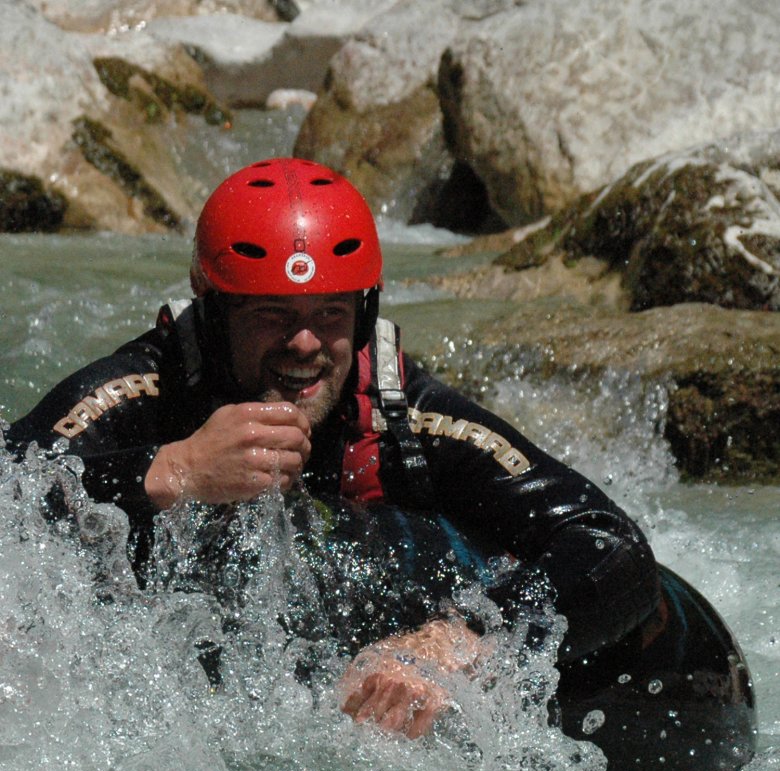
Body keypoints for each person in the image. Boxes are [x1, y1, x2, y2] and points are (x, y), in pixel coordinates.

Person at [5, 157, 660, 741]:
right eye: (271, 315)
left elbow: (609, 543)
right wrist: (172, 470)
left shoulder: (407, 418)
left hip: (403, 653)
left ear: (365, 312)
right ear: (212, 309)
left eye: (329, 315)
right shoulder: (147, 390)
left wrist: (451, 641)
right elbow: (12, 484)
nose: (304, 346)